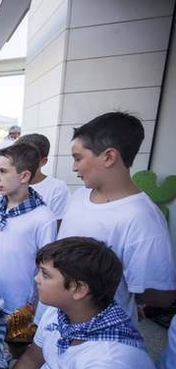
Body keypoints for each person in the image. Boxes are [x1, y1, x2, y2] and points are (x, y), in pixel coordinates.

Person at [0, 237, 161, 369]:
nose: (36, 278)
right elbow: (32, 360)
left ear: (79, 289)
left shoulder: (112, 363)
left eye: (46, 275)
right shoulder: (60, 311)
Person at [58, 112, 176, 323]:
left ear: (109, 157)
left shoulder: (142, 219)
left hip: (101, 334)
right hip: (58, 321)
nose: (74, 167)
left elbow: (159, 294)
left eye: (78, 158)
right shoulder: (79, 196)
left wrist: (127, 297)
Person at [0, 143, 56, 314]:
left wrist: (36, 310)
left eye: (3, 171)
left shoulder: (43, 218)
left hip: (17, 308)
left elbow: (47, 265)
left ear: (24, 176)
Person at [15, 134, 70, 223]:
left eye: (28, 158)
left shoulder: (57, 188)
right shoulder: (11, 183)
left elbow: (57, 225)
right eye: (16, 157)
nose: (20, 163)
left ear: (43, 161)